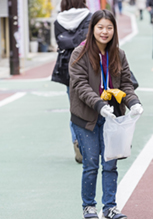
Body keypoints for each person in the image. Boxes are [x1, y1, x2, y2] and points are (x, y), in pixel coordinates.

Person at [69, 9, 143, 219]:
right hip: (87, 118)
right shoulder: (79, 53)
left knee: (110, 163)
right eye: (100, 27)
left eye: (109, 28)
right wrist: (99, 104)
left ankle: (110, 208)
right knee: (91, 163)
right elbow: (80, 85)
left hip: (113, 119)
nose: (105, 31)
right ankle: (89, 206)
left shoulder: (118, 55)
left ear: (114, 30)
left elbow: (127, 84)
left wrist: (134, 103)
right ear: (92, 29)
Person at [51, 0, 92, 164]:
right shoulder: (89, 18)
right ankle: (90, 144)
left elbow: (59, 43)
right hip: (87, 67)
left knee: (74, 108)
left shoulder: (58, 21)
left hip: (68, 68)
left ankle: (77, 142)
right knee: (90, 106)